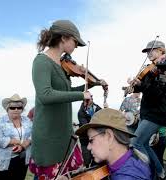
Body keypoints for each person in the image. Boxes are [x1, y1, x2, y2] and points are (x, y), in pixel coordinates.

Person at [30, 19, 106, 179]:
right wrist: (81, 95)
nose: (76, 47)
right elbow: (46, 95)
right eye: (75, 42)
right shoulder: (42, 61)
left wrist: (93, 84)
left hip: (63, 134)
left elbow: (66, 92)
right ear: (64, 38)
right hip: (48, 136)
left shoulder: (60, 64)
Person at [130, 40, 166, 179]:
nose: (148, 53)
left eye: (151, 50)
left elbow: (156, 93)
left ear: (161, 50)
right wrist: (136, 84)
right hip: (147, 111)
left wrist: (142, 84)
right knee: (145, 145)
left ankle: (146, 173)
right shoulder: (149, 69)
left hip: (156, 112)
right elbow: (143, 89)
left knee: (135, 143)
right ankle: (160, 172)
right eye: (147, 51)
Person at [75, 108, 151, 180]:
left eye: (91, 140)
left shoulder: (127, 177)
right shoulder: (130, 158)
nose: (88, 147)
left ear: (109, 136)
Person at [0, 94, 32, 180]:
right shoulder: (0, 122)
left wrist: (26, 143)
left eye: (19, 107)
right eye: (12, 107)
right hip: (3, 161)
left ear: (22, 109)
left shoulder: (27, 120)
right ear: (7, 108)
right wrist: (15, 141)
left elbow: (33, 134)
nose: (16, 110)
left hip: (22, 160)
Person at [77, 95, 102, 167]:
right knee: (87, 159)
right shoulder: (80, 112)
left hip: (95, 139)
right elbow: (86, 126)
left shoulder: (97, 107)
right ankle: (87, 167)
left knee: (96, 158)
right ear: (84, 100)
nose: (89, 100)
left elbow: (103, 115)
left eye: (90, 98)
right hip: (85, 139)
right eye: (87, 99)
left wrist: (106, 108)